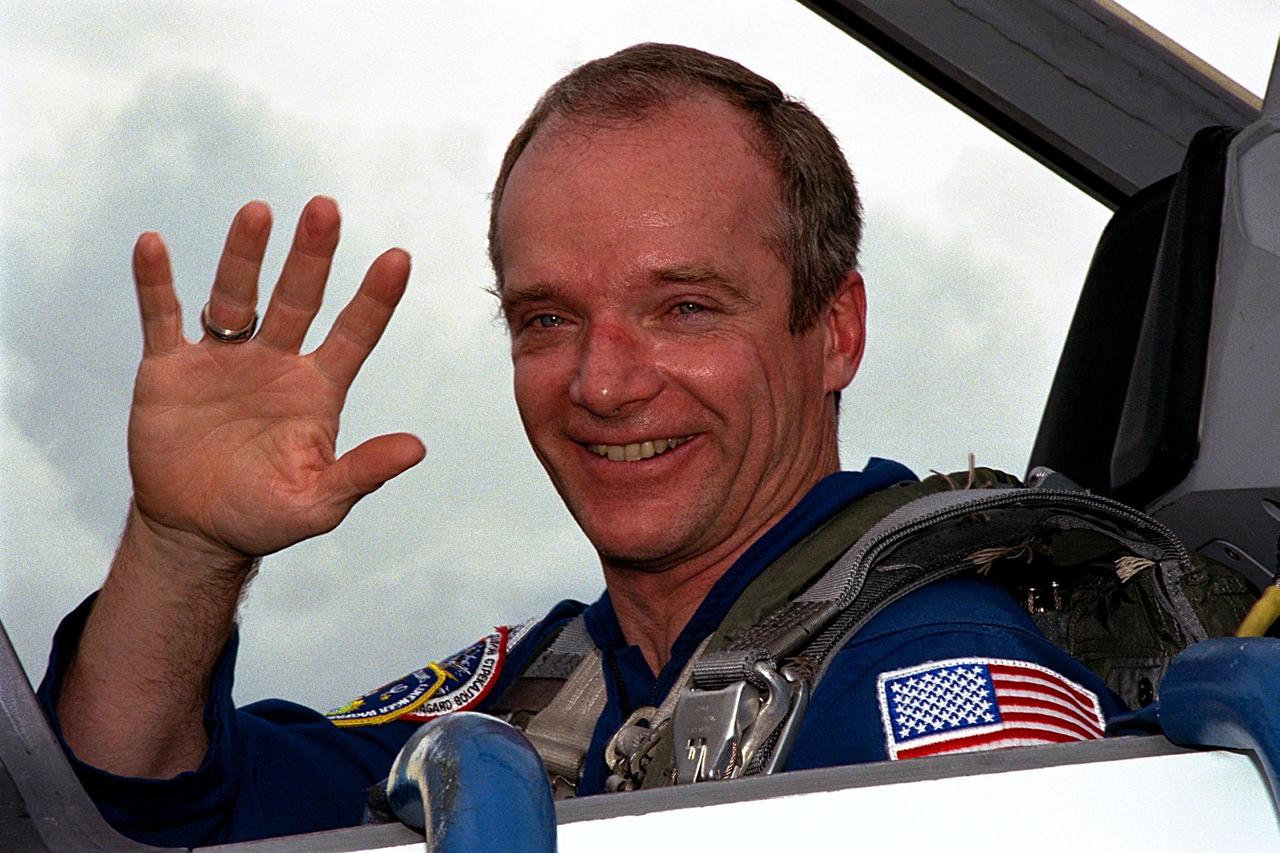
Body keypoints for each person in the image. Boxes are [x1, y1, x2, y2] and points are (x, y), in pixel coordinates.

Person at [38, 43, 1126, 846]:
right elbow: (116, 806)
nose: (602, 383)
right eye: (546, 319)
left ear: (831, 330)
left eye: (685, 308)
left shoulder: (929, 687)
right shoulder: (540, 690)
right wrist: (182, 548)